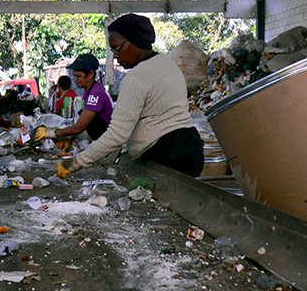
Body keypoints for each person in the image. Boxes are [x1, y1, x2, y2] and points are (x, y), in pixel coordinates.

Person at [55, 13, 204, 179]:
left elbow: (116, 135)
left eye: (117, 49)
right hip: (191, 149)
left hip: (167, 157)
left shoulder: (136, 77)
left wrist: (75, 162)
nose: (115, 56)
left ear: (135, 43)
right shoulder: (168, 64)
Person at [33, 54, 113, 144]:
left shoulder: (95, 94)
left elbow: (79, 127)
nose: (75, 79)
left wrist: (51, 133)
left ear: (90, 74)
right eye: (74, 75)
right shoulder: (90, 90)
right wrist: (68, 137)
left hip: (107, 141)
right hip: (101, 139)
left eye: (78, 76)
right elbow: (84, 122)